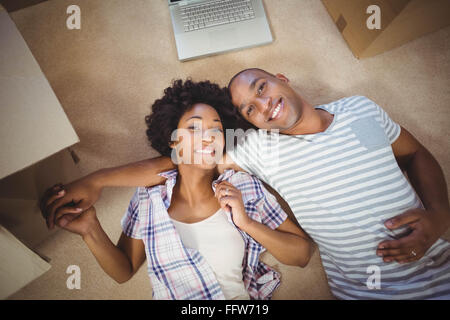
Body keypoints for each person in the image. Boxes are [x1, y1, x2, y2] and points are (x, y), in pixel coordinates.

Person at [42, 69, 450, 299]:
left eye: (261, 88)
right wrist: (96, 183)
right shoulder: (258, 149)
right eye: (249, 110)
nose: (263, 105)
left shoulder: (359, 108)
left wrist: (440, 217)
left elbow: (416, 154)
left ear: (281, 78)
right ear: (249, 126)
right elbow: (185, 156)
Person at [42, 79, 312, 300]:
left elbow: (301, 255)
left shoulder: (242, 186)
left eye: (216, 130)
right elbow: (124, 271)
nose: (208, 137)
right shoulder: (148, 198)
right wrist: (90, 229)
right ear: (172, 141)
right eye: (193, 128)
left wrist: (247, 222)